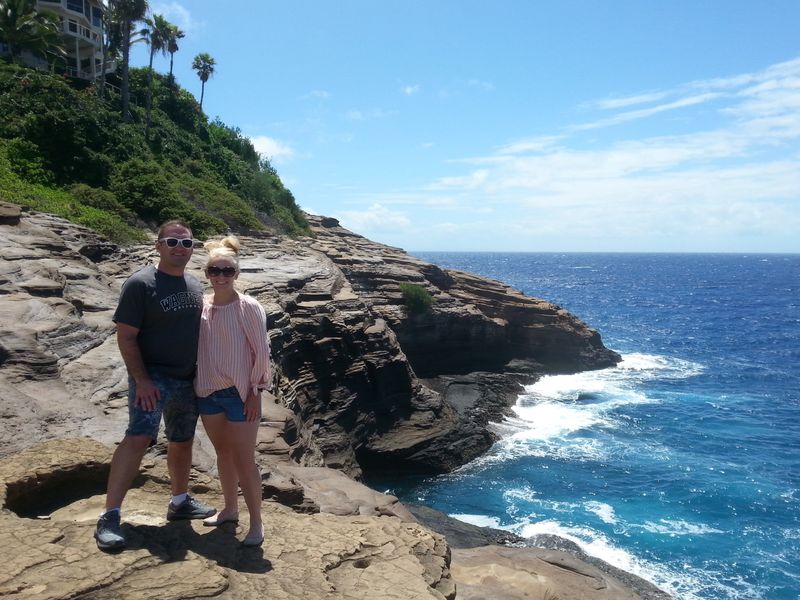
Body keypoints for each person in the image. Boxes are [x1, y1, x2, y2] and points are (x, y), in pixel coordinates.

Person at [95, 220, 216, 551]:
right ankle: (109, 516)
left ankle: (179, 502)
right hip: (152, 376)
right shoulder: (140, 283)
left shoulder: (193, 286)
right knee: (138, 437)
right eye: (173, 242)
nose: (180, 248)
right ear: (158, 246)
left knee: (182, 440)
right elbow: (126, 336)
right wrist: (142, 380)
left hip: (185, 378)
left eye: (187, 243)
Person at [194, 236, 271, 547]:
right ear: (207, 272)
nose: (221, 276)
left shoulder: (248, 307)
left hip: (240, 394)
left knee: (244, 460)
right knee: (223, 455)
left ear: (237, 274)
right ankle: (229, 508)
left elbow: (261, 353)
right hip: (207, 391)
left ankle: (257, 523)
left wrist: (256, 391)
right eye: (215, 270)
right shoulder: (201, 304)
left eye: (227, 271)